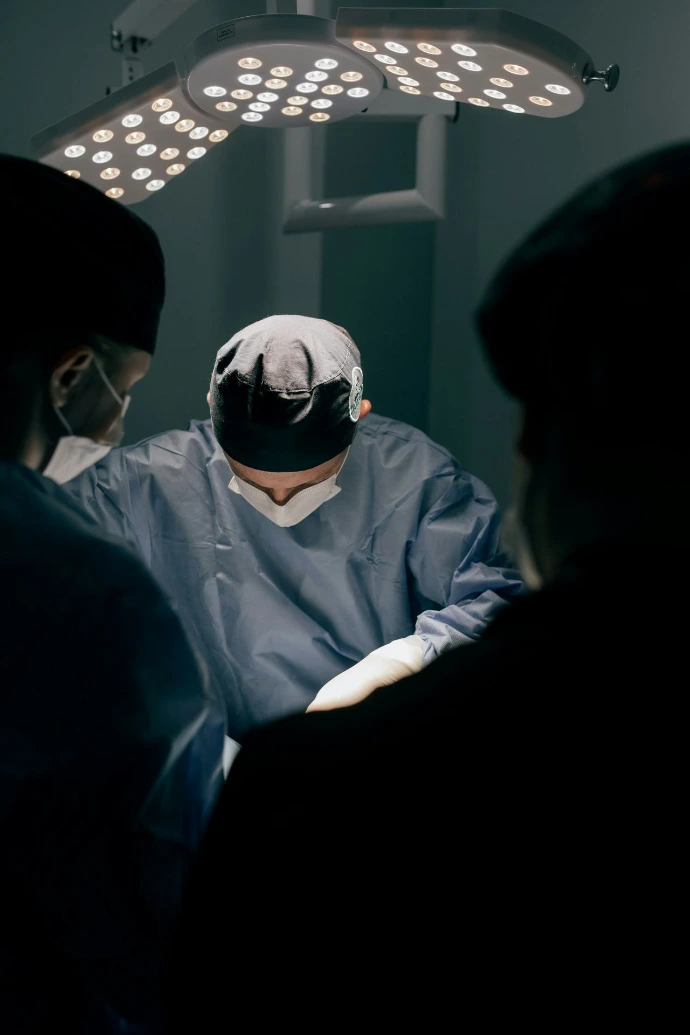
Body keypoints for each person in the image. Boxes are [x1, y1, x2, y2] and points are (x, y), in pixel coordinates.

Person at [165, 142, 687, 1030]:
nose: (279, 499)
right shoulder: (141, 480)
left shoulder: (326, 798)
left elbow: (487, 593)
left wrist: (402, 667)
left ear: (536, 442)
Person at [0, 155, 225, 1034]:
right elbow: (160, 903)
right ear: (67, 377)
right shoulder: (77, 587)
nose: (119, 424)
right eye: (119, 392)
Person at [67, 314, 521, 742]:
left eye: (308, 483)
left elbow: (494, 600)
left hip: (365, 746)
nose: (279, 504)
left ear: (359, 414)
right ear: (212, 413)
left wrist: (409, 658)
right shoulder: (135, 487)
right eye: (251, 482)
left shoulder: (420, 481)